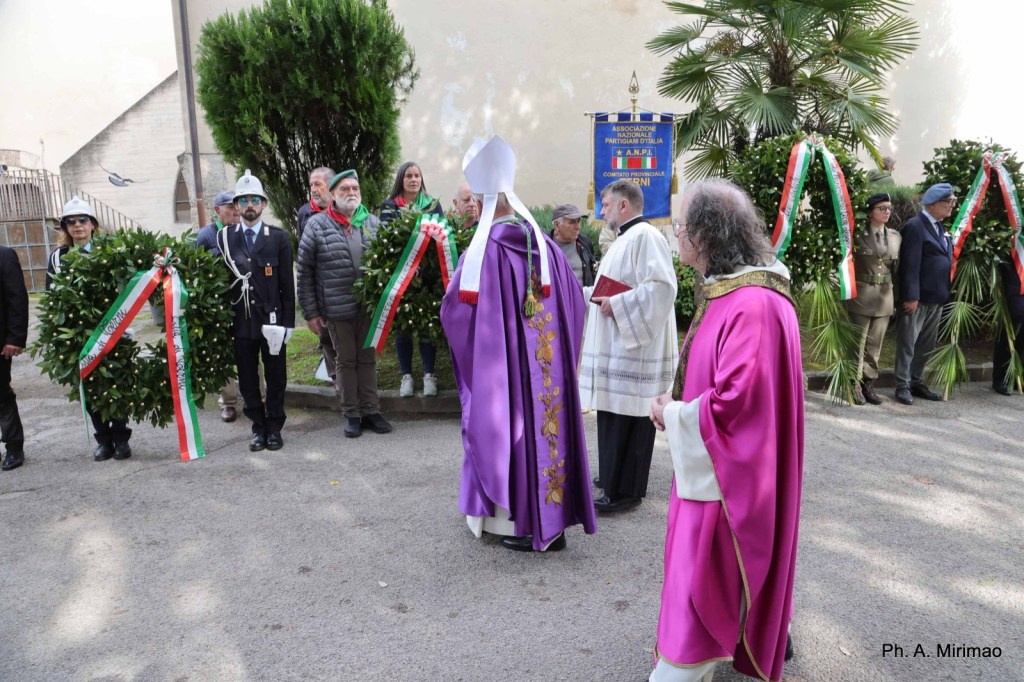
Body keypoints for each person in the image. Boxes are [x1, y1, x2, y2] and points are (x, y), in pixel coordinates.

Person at [648, 179, 803, 682]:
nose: (677, 238)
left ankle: (684, 665)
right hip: (714, 463)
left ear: (705, 236)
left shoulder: (752, 303)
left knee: (705, 571)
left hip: (723, 478)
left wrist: (671, 414)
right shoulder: (737, 291)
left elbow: (734, 405)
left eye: (681, 228)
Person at [440, 135, 597, 552]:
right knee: (549, 428)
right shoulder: (546, 247)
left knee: (516, 430)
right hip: (551, 375)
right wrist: (560, 357)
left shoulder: (487, 250)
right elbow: (577, 308)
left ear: (487, 198)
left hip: (510, 375)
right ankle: (555, 524)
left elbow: (458, 311)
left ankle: (520, 526)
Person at [579, 179, 678, 513]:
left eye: (605, 204)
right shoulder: (626, 239)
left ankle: (625, 491)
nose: (601, 210)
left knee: (628, 418)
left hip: (633, 351)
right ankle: (611, 477)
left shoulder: (646, 237)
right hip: (620, 348)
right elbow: (615, 287)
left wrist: (618, 305)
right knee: (612, 415)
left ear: (624, 205)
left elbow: (662, 289)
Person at [297, 169, 392, 438]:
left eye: (355, 189)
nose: (351, 193)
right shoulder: (317, 225)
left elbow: (389, 263)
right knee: (346, 361)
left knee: (368, 359)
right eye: (345, 190)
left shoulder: (372, 222)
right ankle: (351, 413)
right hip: (336, 309)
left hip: (368, 308)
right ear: (334, 196)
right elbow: (304, 272)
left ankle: (372, 410)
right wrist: (311, 311)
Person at [47, 196, 133, 461]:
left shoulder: (111, 250)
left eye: (83, 220)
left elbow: (127, 288)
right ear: (65, 228)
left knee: (117, 383)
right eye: (70, 222)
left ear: (94, 224)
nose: (77, 226)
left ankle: (121, 438)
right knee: (91, 388)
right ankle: (103, 440)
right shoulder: (58, 258)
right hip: (78, 336)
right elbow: (51, 297)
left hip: (112, 330)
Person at [216, 171, 295, 452]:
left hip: (271, 321)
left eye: (254, 200)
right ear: (236, 206)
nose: (249, 205)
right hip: (241, 322)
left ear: (263, 204)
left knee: (276, 377)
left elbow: (287, 285)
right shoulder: (224, 238)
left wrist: (288, 324)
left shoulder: (278, 238)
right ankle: (257, 427)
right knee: (248, 379)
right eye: (244, 200)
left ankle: (274, 427)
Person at [379, 162, 445, 398]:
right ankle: (406, 376)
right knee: (403, 328)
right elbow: (385, 237)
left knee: (427, 325)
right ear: (401, 179)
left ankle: (429, 375)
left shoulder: (433, 206)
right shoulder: (389, 206)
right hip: (401, 276)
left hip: (427, 277)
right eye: (409, 176)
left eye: (417, 175)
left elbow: (443, 236)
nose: (414, 179)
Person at [894, 182, 955, 405]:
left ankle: (916, 381)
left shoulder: (939, 227)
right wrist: (910, 296)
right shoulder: (916, 226)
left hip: (935, 297)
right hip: (917, 299)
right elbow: (910, 265)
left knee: (925, 345)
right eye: (947, 202)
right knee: (908, 343)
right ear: (932, 204)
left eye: (952, 202)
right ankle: (902, 385)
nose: (951, 206)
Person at [844, 193, 901, 405]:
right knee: (857, 345)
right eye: (882, 208)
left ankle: (869, 383)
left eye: (889, 208)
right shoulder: (857, 234)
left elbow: (897, 270)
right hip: (862, 295)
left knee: (875, 346)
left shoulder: (896, 237)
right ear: (870, 212)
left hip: (884, 297)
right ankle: (853, 384)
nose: (887, 212)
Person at [196, 189, 242, 422]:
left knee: (253, 352)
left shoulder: (245, 232)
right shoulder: (205, 236)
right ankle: (229, 402)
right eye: (230, 207)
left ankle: (259, 398)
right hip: (218, 307)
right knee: (223, 354)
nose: (236, 212)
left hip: (244, 303)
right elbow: (195, 272)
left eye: (237, 207)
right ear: (217, 210)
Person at [0, 244, 28, 471]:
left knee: (1, 394)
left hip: (0, 343)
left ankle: (13, 447)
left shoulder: (4, 254)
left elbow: (17, 297)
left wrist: (15, 338)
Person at [992, 261, 1024, 395]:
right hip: (1014, 290)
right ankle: (1000, 379)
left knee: (1022, 339)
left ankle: (1018, 378)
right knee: (1007, 336)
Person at [550, 203, 597, 287]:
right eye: (571, 222)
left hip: (582, 298)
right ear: (557, 225)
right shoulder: (545, 247)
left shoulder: (584, 243)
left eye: (578, 221)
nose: (577, 227)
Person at [296, 166, 334, 242]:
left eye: (317, 184)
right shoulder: (303, 213)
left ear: (331, 186)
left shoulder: (344, 210)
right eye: (311, 185)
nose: (313, 190)